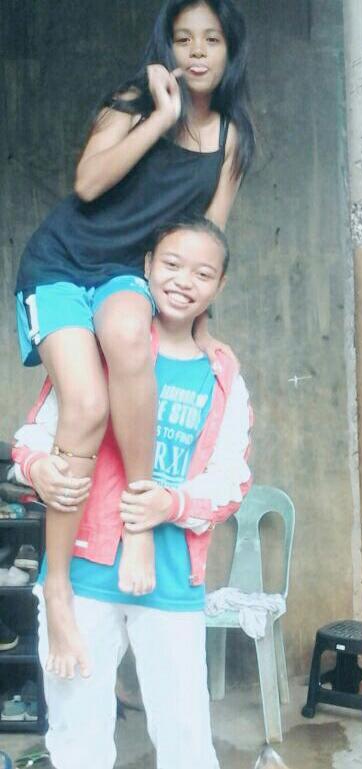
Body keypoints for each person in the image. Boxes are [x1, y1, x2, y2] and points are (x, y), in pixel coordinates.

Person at [14, 0, 255, 678]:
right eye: (183, 39)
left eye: (211, 39)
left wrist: (200, 331)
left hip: (127, 273)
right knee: (85, 408)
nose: (197, 51)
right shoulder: (132, 101)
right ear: (166, 47)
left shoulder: (231, 137)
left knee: (131, 340)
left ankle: (139, 518)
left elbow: (207, 239)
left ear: (231, 50)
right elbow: (88, 183)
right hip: (61, 264)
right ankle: (57, 584)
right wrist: (160, 116)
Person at [12, 217, 252, 768]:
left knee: (186, 739)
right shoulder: (100, 349)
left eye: (203, 273)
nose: (184, 281)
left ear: (219, 286)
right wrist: (38, 468)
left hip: (169, 578)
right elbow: (34, 436)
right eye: (171, 264)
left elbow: (232, 479)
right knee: (77, 737)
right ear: (145, 267)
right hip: (83, 573)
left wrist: (174, 503)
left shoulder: (222, 376)